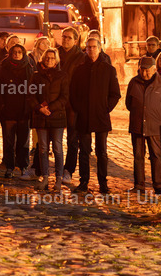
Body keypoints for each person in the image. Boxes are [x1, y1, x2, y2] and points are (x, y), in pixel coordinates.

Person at [69, 36, 120, 194]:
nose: (91, 49)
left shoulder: (108, 69)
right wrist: (79, 108)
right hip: (83, 116)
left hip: (100, 116)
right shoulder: (79, 69)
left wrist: (105, 108)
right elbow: (72, 93)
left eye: (94, 47)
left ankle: (103, 183)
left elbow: (115, 94)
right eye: (88, 47)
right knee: (84, 151)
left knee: (101, 152)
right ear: (85, 49)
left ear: (99, 48)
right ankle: (83, 181)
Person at [125, 56, 161, 194]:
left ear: (154, 69)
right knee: (138, 156)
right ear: (139, 69)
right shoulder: (133, 82)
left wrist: (158, 115)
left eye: (148, 70)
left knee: (156, 155)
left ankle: (159, 185)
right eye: (142, 70)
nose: (145, 73)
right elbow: (128, 103)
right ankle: (139, 185)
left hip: (154, 126)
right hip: (137, 125)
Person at [29, 48, 68, 192]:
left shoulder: (62, 76)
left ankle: (58, 179)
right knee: (43, 148)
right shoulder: (36, 76)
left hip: (57, 116)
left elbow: (64, 97)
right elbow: (31, 96)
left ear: (56, 60)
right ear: (43, 59)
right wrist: (40, 108)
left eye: (52, 58)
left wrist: (50, 108)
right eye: (47, 57)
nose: (49, 60)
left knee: (57, 148)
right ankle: (44, 177)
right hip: (41, 116)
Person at [0, 44, 34, 180]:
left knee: (23, 141)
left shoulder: (29, 68)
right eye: (14, 52)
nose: (17, 54)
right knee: (9, 141)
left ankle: (23, 166)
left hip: (24, 109)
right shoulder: (4, 67)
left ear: (23, 54)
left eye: (19, 52)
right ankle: (9, 166)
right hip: (8, 109)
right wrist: (2, 104)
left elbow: (33, 87)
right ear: (10, 53)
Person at [58, 27, 84, 185]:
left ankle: (68, 170)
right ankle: (39, 168)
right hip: (56, 100)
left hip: (72, 102)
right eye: (63, 36)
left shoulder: (81, 57)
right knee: (49, 137)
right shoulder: (55, 53)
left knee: (72, 138)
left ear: (75, 40)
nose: (65, 39)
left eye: (69, 37)